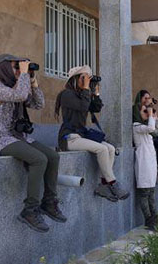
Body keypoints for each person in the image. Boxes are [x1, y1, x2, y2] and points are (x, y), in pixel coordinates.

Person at [0, 54, 66, 233]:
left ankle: (49, 202)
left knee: (52, 156)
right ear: (4, 68)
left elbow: (39, 104)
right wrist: (23, 76)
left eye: (18, 67)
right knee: (39, 159)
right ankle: (29, 209)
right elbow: (20, 95)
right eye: (15, 67)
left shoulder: (18, 85)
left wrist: (33, 81)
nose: (18, 71)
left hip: (19, 137)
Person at [55, 65, 129, 202]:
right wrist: (86, 90)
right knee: (101, 149)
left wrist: (95, 93)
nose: (87, 80)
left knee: (111, 148)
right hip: (69, 138)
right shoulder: (66, 94)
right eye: (84, 77)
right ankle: (112, 183)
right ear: (76, 79)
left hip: (81, 135)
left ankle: (103, 185)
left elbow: (96, 108)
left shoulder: (83, 95)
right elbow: (83, 106)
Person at [132, 90, 158, 180]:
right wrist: (147, 111)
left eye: (149, 98)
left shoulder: (148, 109)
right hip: (142, 135)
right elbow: (140, 121)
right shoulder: (137, 107)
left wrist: (154, 117)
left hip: (150, 134)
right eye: (145, 98)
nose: (147, 100)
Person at [133, 105, 158, 231]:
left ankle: (155, 217)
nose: (147, 113)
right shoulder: (136, 126)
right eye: (144, 111)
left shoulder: (145, 128)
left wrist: (154, 117)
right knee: (145, 193)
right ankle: (149, 219)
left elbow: (157, 129)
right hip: (143, 163)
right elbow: (150, 127)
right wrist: (150, 115)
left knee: (151, 193)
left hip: (150, 163)